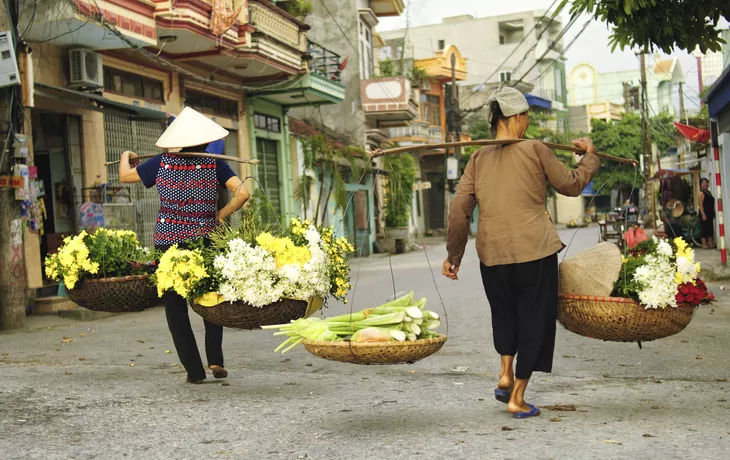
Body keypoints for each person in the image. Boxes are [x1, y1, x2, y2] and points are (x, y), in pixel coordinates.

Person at [441, 87, 600, 419]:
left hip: (492, 255)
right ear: (515, 117)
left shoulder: (477, 158)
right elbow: (571, 184)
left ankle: (504, 372)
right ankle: (517, 397)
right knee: (534, 320)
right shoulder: (536, 149)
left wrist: (454, 256)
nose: (527, 122)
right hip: (534, 252)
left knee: (504, 314)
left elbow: (459, 210)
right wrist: (589, 157)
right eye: (526, 116)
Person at [119, 107, 250, 384]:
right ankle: (215, 359)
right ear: (205, 140)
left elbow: (125, 177)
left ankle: (194, 370)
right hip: (205, 240)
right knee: (210, 298)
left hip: (169, 244)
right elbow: (244, 192)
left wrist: (125, 158)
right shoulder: (215, 163)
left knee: (175, 307)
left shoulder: (161, 163)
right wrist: (220, 215)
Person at [699, 178, 716, 249]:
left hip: (710, 213)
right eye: (703, 183)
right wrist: (703, 214)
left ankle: (710, 243)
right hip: (704, 213)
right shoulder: (701, 193)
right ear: (701, 185)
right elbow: (700, 205)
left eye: (706, 183)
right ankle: (704, 244)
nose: (705, 184)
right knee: (704, 229)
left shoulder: (709, 193)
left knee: (710, 228)